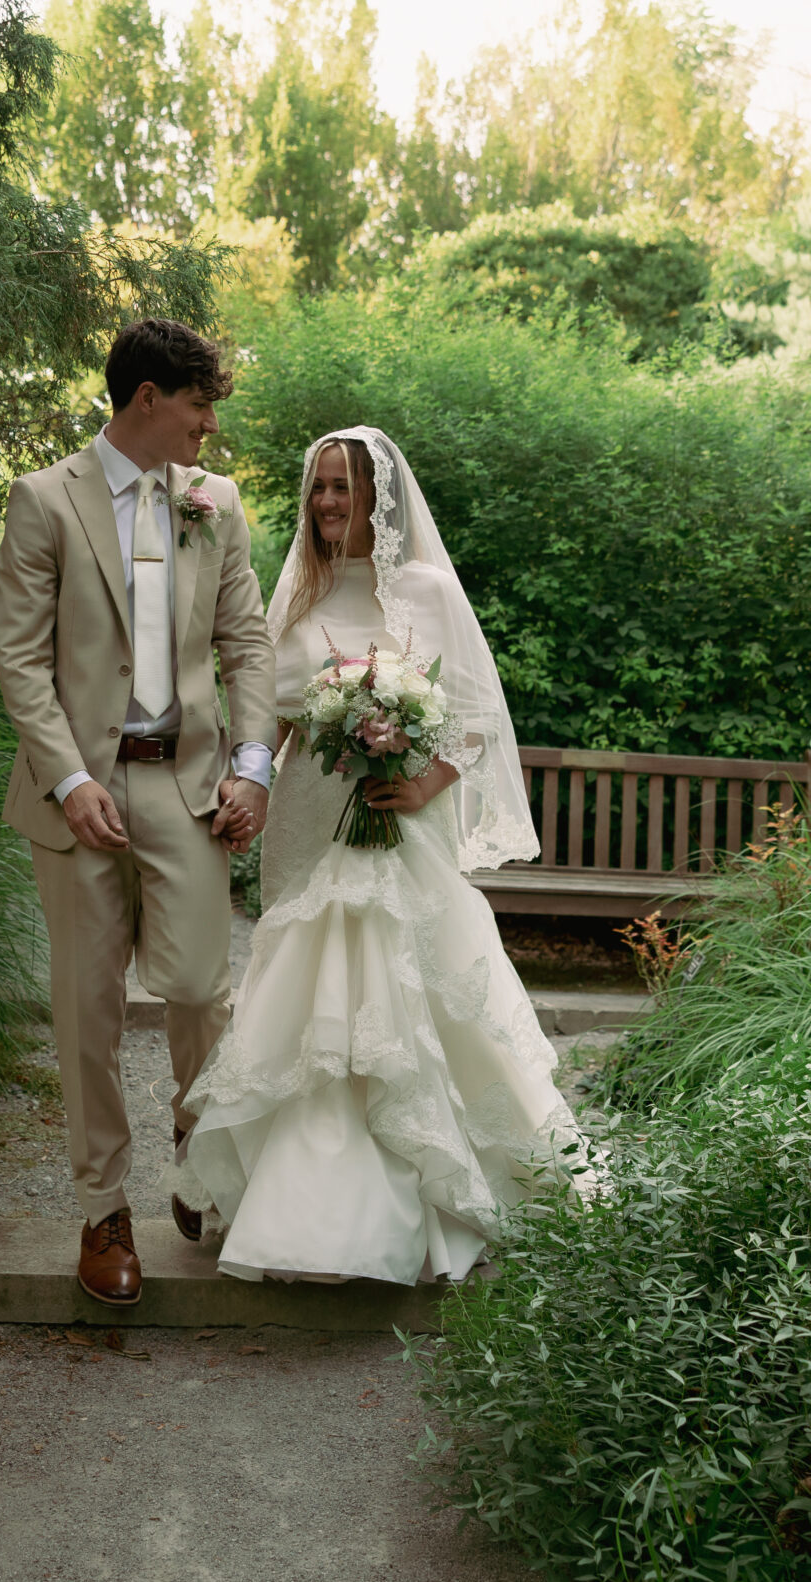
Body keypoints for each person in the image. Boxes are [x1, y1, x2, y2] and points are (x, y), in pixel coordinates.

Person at [171, 427, 577, 1285]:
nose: (325, 504)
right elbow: (271, 719)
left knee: (408, 1000)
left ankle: (432, 1193)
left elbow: (475, 713)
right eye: (317, 487)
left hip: (398, 826)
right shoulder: (297, 598)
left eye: (342, 489)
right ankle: (307, 1204)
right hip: (314, 830)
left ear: (377, 500)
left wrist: (425, 781)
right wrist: (249, 786)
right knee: (313, 1012)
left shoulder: (425, 591)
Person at [0, 319, 277, 1307]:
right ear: (147, 398)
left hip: (190, 785)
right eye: (199, 405)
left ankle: (197, 1151)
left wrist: (252, 767)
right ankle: (103, 1208)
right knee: (87, 1009)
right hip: (78, 790)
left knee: (201, 987)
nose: (209, 427)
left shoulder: (216, 504)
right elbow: (21, 661)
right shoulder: (42, 501)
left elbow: (247, 645)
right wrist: (69, 780)